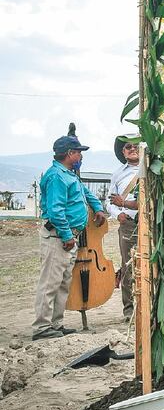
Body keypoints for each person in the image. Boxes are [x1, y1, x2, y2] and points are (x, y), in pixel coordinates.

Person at [33, 130, 106, 340]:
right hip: (58, 237)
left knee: (62, 282)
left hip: (66, 237)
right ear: (70, 153)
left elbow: (84, 192)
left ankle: (55, 324)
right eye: (79, 153)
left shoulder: (68, 174)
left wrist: (97, 207)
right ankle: (42, 327)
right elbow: (56, 211)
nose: (81, 157)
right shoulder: (57, 176)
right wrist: (66, 235)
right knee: (50, 283)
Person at [108, 137, 140, 322]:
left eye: (136, 145)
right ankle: (129, 310)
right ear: (123, 152)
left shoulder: (151, 168)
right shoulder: (118, 173)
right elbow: (110, 200)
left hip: (149, 222)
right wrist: (117, 213)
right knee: (128, 266)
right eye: (128, 147)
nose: (132, 149)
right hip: (127, 224)